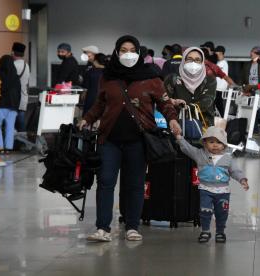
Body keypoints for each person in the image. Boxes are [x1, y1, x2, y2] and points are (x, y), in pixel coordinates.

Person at [78, 35, 182, 242]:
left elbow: (165, 103)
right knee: (106, 182)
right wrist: (87, 119)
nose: (128, 54)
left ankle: (132, 227)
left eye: (132, 49)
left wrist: (172, 120)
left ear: (139, 52)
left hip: (139, 140)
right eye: (123, 50)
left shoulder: (151, 77)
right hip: (109, 139)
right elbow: (100, 103)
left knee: (135, 184)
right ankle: (103, 228)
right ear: (117, 52)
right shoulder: (108, 76)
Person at [175, 126, 248, 243]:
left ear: (224, 144)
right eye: (211, 142)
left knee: (222, 212)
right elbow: (187, 149)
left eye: (219, 142)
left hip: (223, 191)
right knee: (205, 211)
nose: (215, 145)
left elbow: (235, 171)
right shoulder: (200, 154)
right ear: (204, 143)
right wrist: (179, 137)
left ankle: (220, 232)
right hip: (205, 189)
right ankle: (205, 231)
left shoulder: (228, 158)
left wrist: (242, 179)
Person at [164, 47, 217, 127]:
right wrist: (174, 102)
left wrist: (185, 106)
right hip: (177, 126)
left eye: (197, 60)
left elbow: (207, 101)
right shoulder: (172, 79)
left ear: (202, 62)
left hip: (203, 127)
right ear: (183, 61)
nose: (193, 63)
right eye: (189, 59)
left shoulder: (209, 80)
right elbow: (164, 100)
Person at [0, 55, 21, 154]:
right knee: (10, 127)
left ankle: (0, 147)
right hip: (13, 106)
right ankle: (8, 148)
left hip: (1, 105)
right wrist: (17, 106)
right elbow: (19, 92)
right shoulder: (16, 76)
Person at [11, 42, 30, 132]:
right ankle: (24, 142)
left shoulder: (12, 65)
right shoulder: (26, 66)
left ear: (12, 52)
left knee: (13, 122)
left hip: (13, 98)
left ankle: (15, 142)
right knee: (21, 122)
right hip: (23, 97)